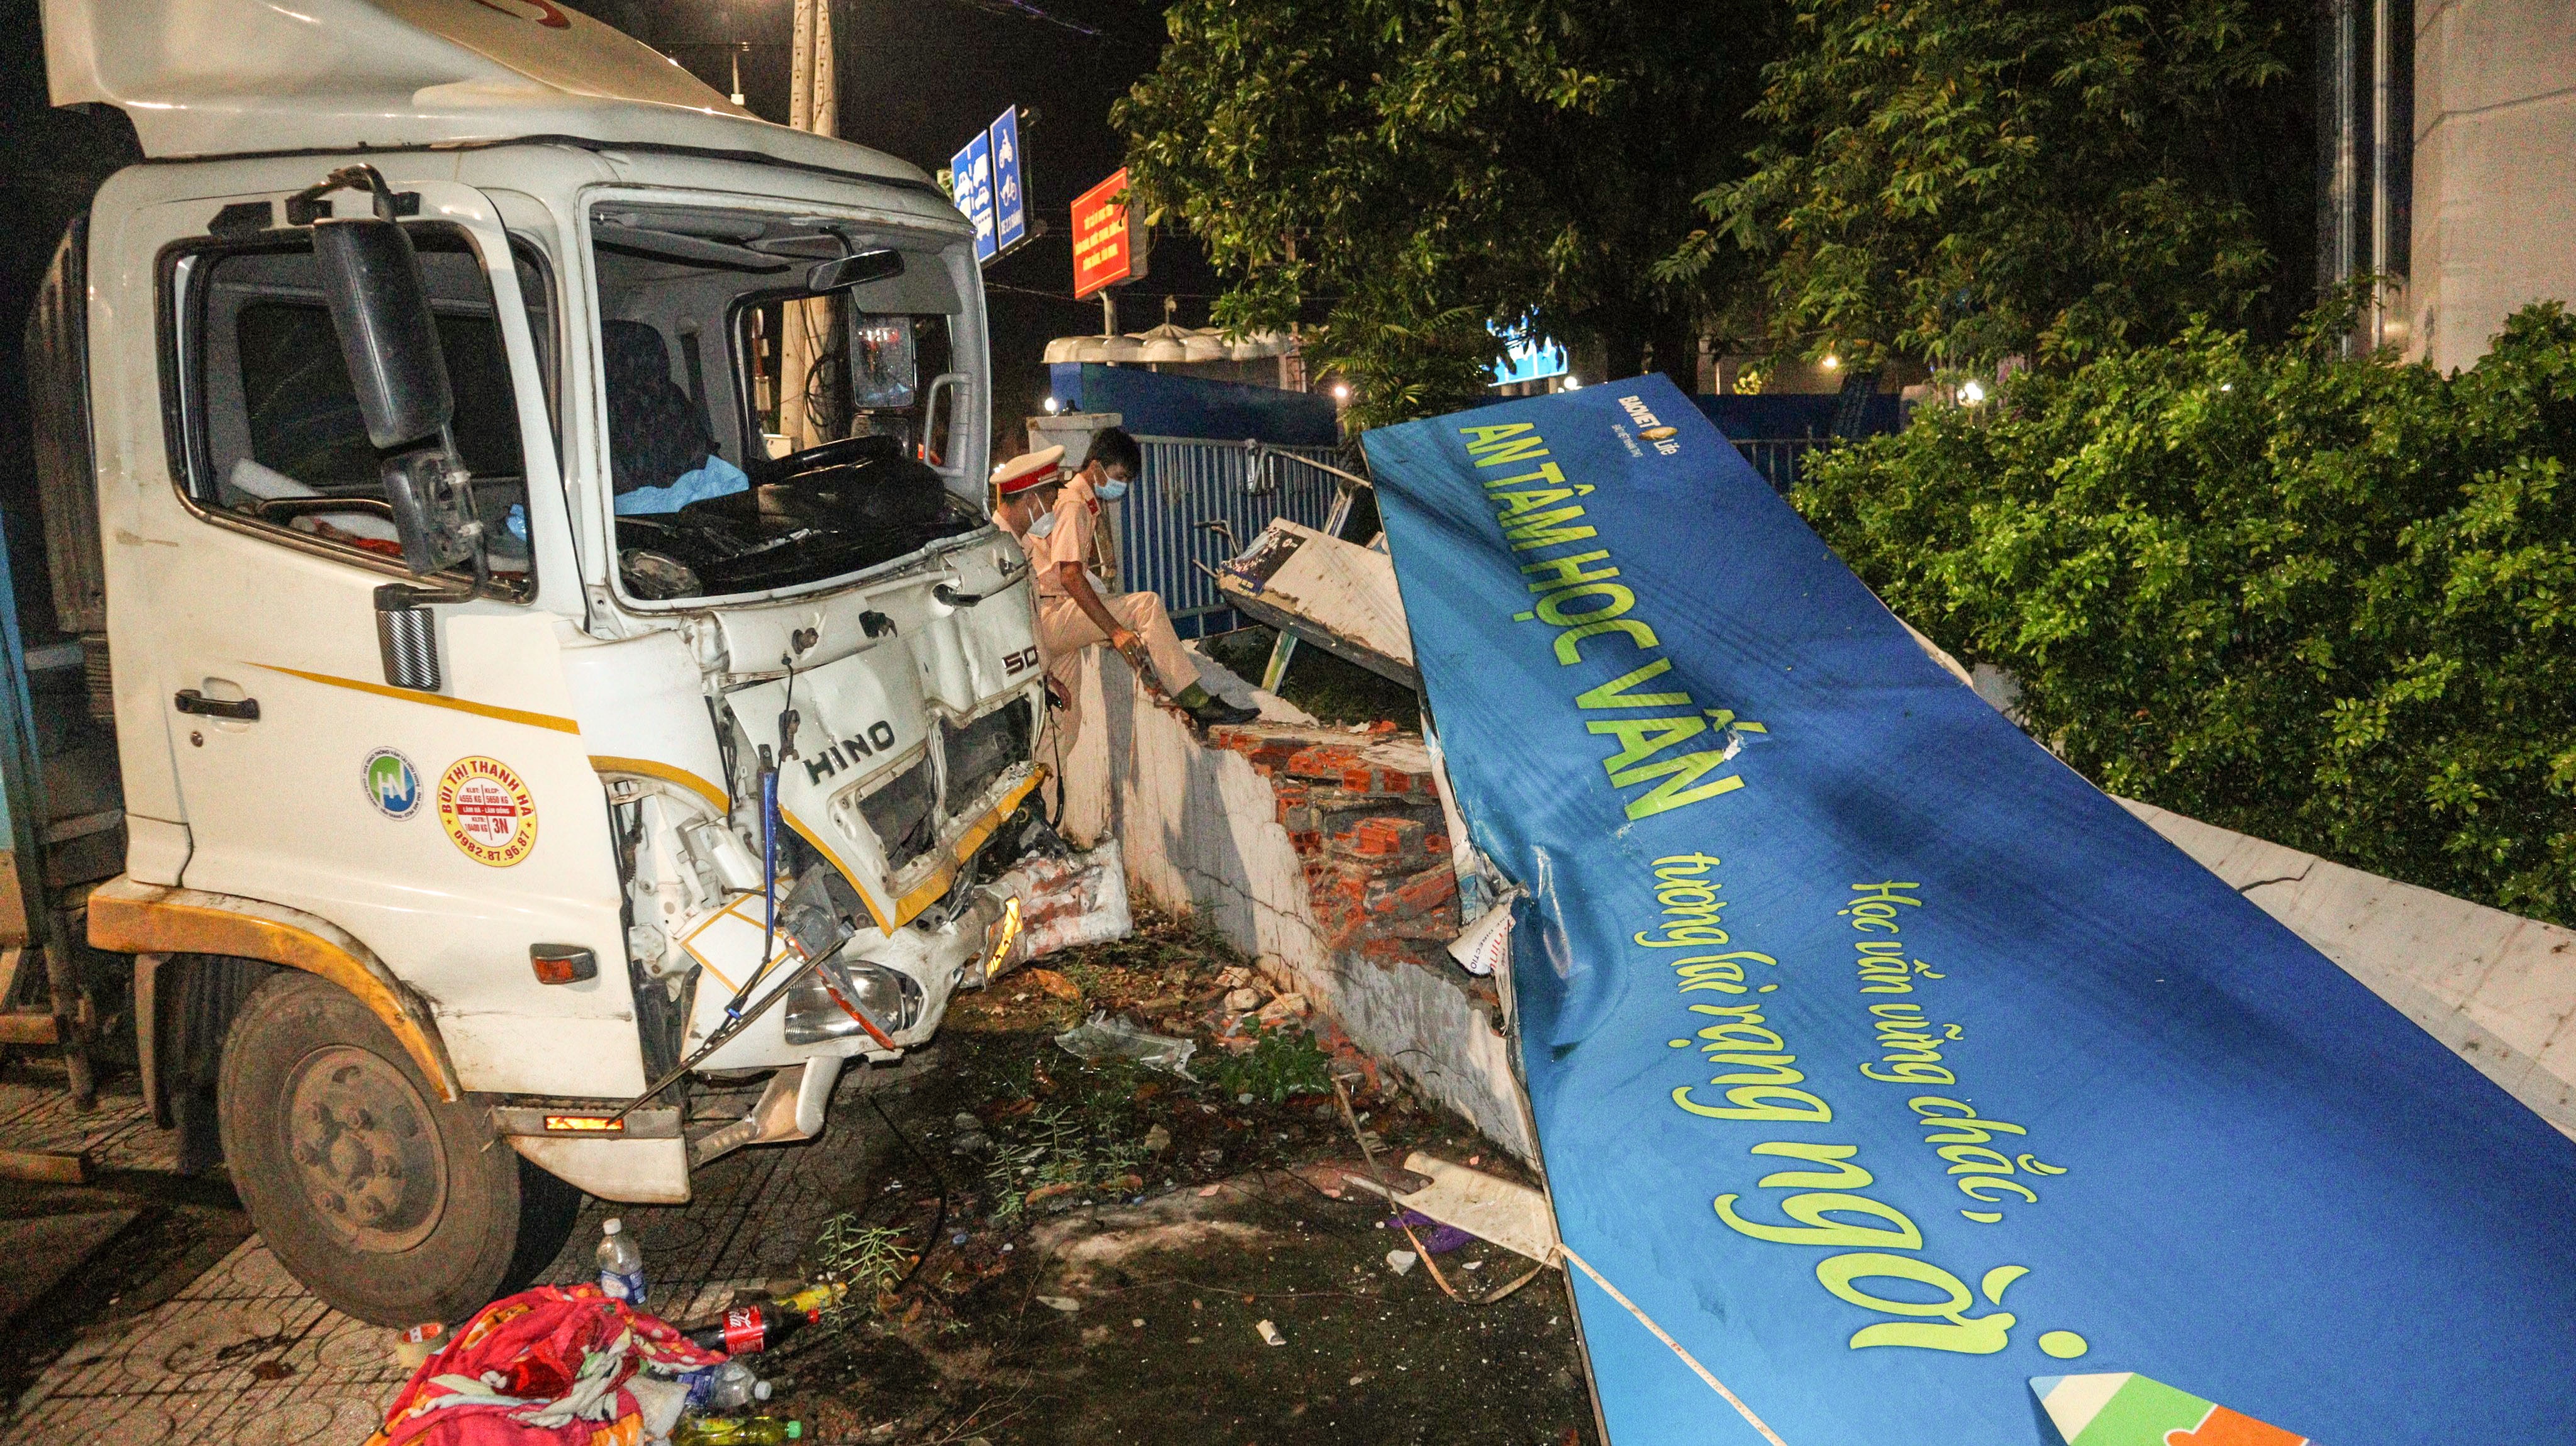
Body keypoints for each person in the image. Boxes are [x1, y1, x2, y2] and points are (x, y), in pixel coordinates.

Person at [992, 445, 1260, 730]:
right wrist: (1115, 631)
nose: (1053, 502)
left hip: (1046, 622)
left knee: (1062, 725)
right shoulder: (1073, 505)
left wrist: (1045, 673)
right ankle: (1196, 702)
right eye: (1120, 475)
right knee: (1146, 606)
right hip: (1051, 615)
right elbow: (1069, 575)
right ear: (1095, 468)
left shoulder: (1075, 506)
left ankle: (1047, 774)